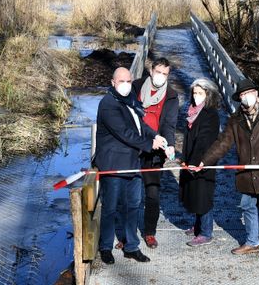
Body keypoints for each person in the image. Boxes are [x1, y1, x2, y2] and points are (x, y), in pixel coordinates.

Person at [197, 78, 259, 269]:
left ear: (256, 94)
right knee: (247, 207)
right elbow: (223, 143)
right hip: (245, 174)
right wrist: (204, 161)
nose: (245, 98)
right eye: (242, 95)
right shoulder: (236, 119)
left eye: (248, 93)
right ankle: (252, 242)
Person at [94, 67, 167, 265]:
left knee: (133, 205)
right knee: (110, 207)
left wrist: (154, 135)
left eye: (128, 81)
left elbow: (139, 124)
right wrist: (149, 144)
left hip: (133, 163)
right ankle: (105, 247)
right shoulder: (108, 104)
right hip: (114, 164)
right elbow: (124, 132)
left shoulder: (130, 101)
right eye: (121, 81)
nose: (126, 85)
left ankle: (131, 247)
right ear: (113, 83)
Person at [132, 57, 179, 249]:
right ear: (151, 71)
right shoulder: (135, 87)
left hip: (155, 150)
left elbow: (169, 123)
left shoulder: (171, 95)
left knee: (152, 193)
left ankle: (149, 232)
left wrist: (171, 144)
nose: (161, 76)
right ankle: (127, 232)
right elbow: (131, 116)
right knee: (130, 193)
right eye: (158, 72)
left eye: (165, 74)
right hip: (133, 146)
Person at [180, 78, 220, 246]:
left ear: (208, 95)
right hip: (191, 160)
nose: (196, 96)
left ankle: (206, 232)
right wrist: (185, 159)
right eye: (195, 93)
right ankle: (198, 225)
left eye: (200, 93)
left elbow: (204, 140)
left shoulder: (210, 114)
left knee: (203, 196)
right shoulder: (193, 111)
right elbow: (189, 138)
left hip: (203, 161)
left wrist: (196, 161)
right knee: (195, 193)